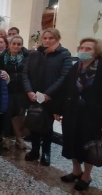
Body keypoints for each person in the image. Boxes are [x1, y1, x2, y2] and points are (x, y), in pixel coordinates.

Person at [57, 38, 102, 191]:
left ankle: (86, 175)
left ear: (97, 52)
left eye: (88, 49)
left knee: (88, 146)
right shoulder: (75, 67)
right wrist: (57, 110)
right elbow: (65, 90)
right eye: (82, 48)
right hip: (72, 112)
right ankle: (76, 170)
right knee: (71, 142)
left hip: (93, 116)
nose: (83, 51)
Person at [22, 28, 72, 166]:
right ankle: (35, 150)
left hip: (51, 97)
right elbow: (25, 73)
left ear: (57, 39)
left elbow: (64, 77)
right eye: (45, 38)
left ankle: (46, 152)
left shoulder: (64, 55)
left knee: (47, 126)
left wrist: (48, 94)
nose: (47, 41)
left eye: (51, 38)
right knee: (34, 122)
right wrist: (29, 91)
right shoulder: (34, 54)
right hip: (34, 95)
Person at [0, 35, 30, 150]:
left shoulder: (27, 57)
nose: (16, 46)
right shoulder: (2, 58)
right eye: (14, 44)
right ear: (9, 45)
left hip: (22, 91)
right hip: (8, 91)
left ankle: (19, 138)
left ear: (22, 45)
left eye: (19, 44)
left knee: (20, 115)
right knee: (7, 114)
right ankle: (6, 137)